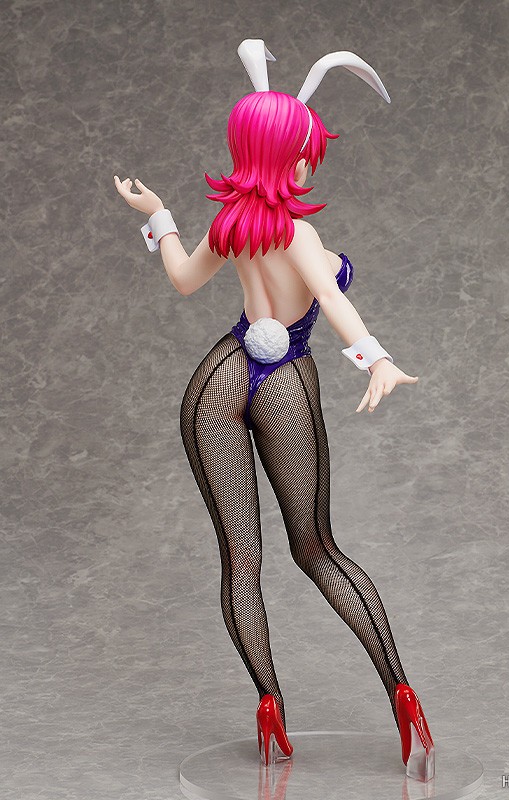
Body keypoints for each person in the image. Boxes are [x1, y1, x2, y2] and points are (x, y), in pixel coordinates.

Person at [114, 39, 435, 782]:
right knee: (316, 548)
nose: (309, 163)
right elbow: (330, 299)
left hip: (219, 381)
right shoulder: (299, 233)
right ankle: (404, 697)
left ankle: (269, 708)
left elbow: (183, 280)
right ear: (287, 156)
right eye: (304, 152)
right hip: (282, 377)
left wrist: (160, 217)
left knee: (242, 561)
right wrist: (376, 359)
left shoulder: (231, 225)